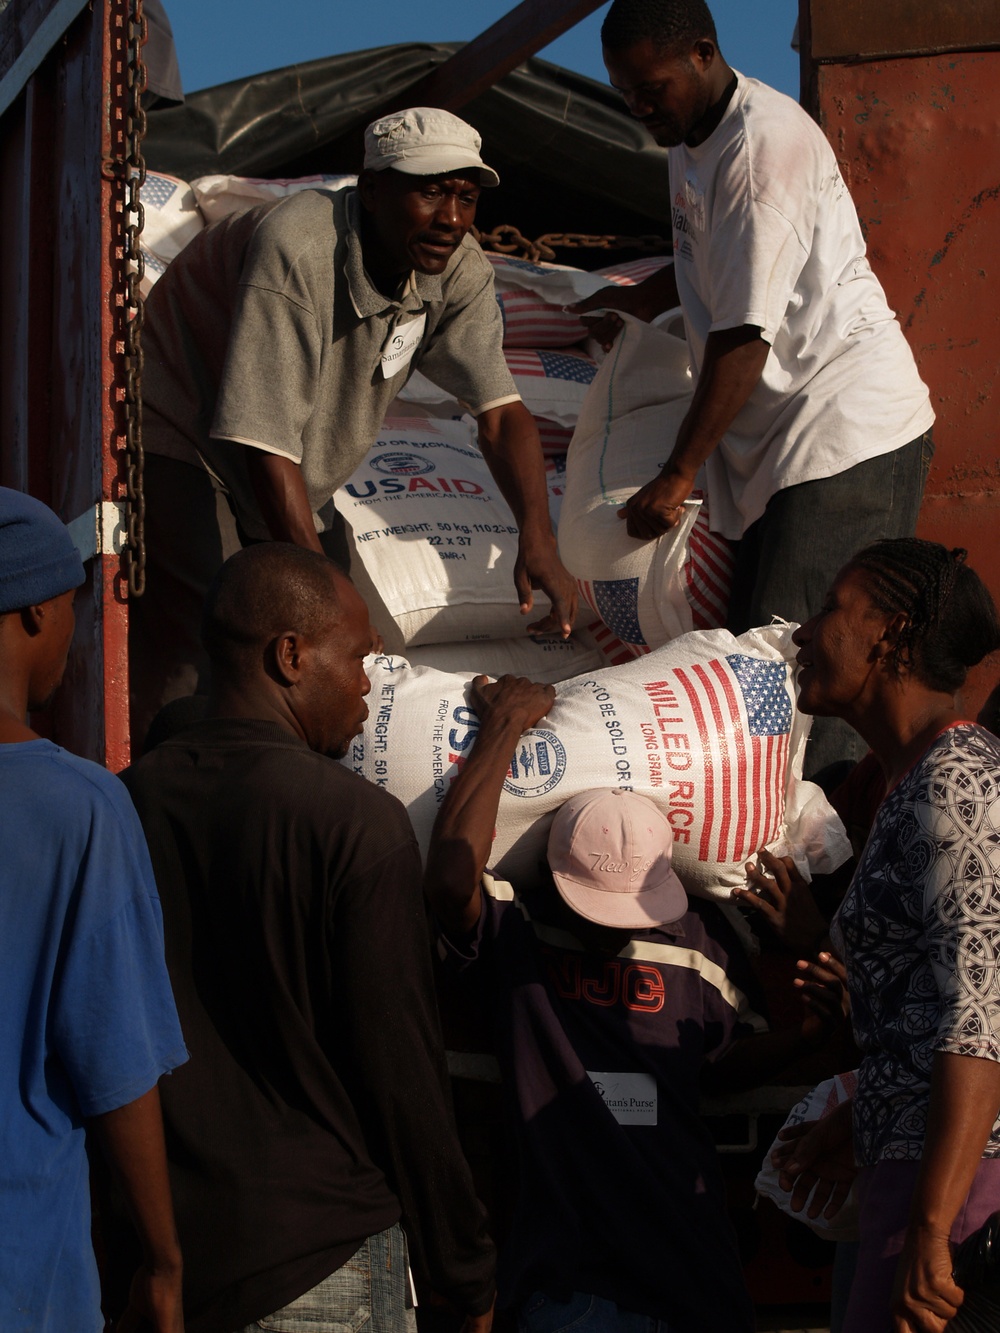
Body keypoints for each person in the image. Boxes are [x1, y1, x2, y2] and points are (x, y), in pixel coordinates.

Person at [120, 543, 496, 1333]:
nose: (367, 682)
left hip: (166, 1273)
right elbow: (404, 1079)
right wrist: (466, 1274)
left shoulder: (121, 808)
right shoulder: (355, 823)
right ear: (290, 655)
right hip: (322, 1265)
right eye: (357, 655)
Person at [132, 105, 577, 740]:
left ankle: (297, 797)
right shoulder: (300, 246)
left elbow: (502, 414)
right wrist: (326, 603)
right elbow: (261, 441)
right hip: (184, 436)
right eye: (430, 191)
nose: (451, 218)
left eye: (466, 196)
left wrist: (539, 537)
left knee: (337, 661)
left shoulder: (457, 268)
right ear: (371, 189)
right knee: (211, 644)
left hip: (294, 465)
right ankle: (163, 799)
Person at [573, 0, 935, 775]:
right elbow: (719, 263)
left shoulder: (761, 149)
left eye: (651, 88)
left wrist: (675, 475)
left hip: (842, 433)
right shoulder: (689, 140)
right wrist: (636, 302)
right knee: (753, 666)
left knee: (812, 675)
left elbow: (743, 336)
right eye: (623, 91)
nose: (638, 107)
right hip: (777, 447)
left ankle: (828, 870)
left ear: (704, 53)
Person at [424, 671, 847, 1333]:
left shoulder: (702, 944)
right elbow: (451, 879)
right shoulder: (520, 930)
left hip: (694, 1277)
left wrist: (802, 1039)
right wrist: (504, 724)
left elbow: (719, 1062)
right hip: (575, 1285)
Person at [770, 537, 1000, 1333]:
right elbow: (918, 1013)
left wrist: (934, 1231)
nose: (804, 631)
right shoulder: (911, 781)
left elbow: (979, 1015)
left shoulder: (958, 782)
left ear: (893, 635)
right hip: (910, 1172)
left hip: (959, 1193)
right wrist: (858, 1118)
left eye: (833, 607)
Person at [0, 487, 188, 1333]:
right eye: (72, 611)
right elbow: (117, 1064)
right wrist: (162, 1258)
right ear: (36, 614)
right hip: (23, 1267)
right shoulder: (79, 807)